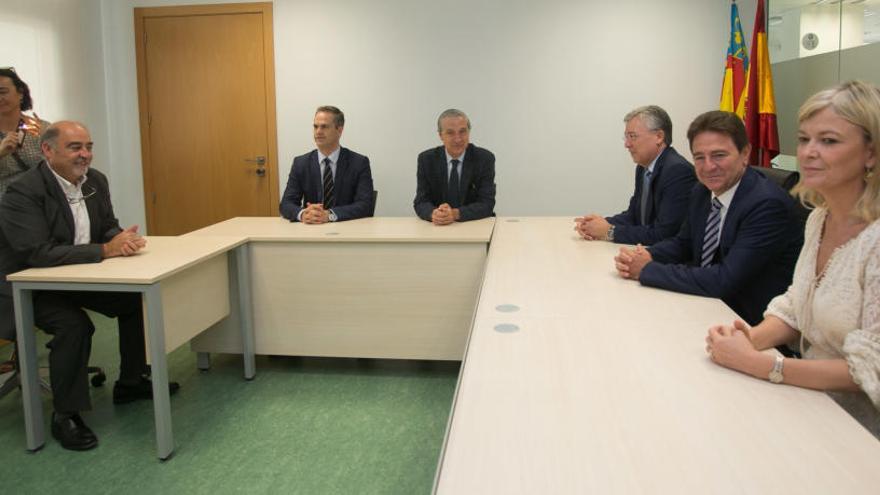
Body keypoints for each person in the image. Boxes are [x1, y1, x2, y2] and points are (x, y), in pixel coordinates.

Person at [705, 81, 880, 438]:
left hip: (862, 432)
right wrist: (748, 340)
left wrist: (765, 365)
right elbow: (797, 306)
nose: (809, 152)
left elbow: (869, 369)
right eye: (804, 139)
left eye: (828, 141)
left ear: (871, 153)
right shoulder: (819, 217)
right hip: (813, 405)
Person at [0, 121, 178, 451]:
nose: (85, 155)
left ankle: (131, 381)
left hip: (75, 274)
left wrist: (121, 239)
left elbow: (106, 226)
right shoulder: (23, 192)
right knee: (74, 325)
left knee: (133, 299)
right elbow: (34, 252)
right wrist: (103, 250)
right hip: (26, 285)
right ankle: (65, 415)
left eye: (89, 147)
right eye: (75, 147)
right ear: (47, 151)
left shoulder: (94, 181)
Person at [614, 111, 802, 325]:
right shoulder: (702, 191)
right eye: (699, 157)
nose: (708, 166)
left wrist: (647, 269)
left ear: (745, 154)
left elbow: (724, 280)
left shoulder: (767, 205)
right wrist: (645, 255)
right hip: (706, 306)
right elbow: (683, 244)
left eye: (719, 155)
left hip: (747, 323)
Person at [575, 105, 695, 244]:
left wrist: (609, 231)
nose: (627, 144)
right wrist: (596, 225)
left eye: (632, 136)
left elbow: (664, 234)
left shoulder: (678, 172)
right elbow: (634, 216)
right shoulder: (643, 167)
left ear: (659, 136)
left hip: (668, 260)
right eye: (626, 137)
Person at [280, 106, 374, 223]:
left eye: (324, 127)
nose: (318, 131)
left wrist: (330, 215)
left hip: (347, 228)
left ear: (339, 130)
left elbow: (366, 205)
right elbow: (286, 204)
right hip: (311, 229)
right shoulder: (301, 163)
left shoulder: (359, 163)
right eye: (315, 126)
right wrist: (303, 214)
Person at [414, 109, 495, 225]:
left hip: (474, 226)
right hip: (438, 227)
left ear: (469, 132)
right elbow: (421, 201)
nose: (458, 139)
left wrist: (454, 213)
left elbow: (487, 203)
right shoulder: (427, 160)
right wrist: (433, 213)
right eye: (450, 133)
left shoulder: (484, 159)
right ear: (440, 135)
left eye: (462, 131)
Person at [0, 67, 49, 202]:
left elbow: (60, 166)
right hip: (5, 206)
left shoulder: (42, 128)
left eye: (2, 92)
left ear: (20, 93)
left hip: (40, 202)